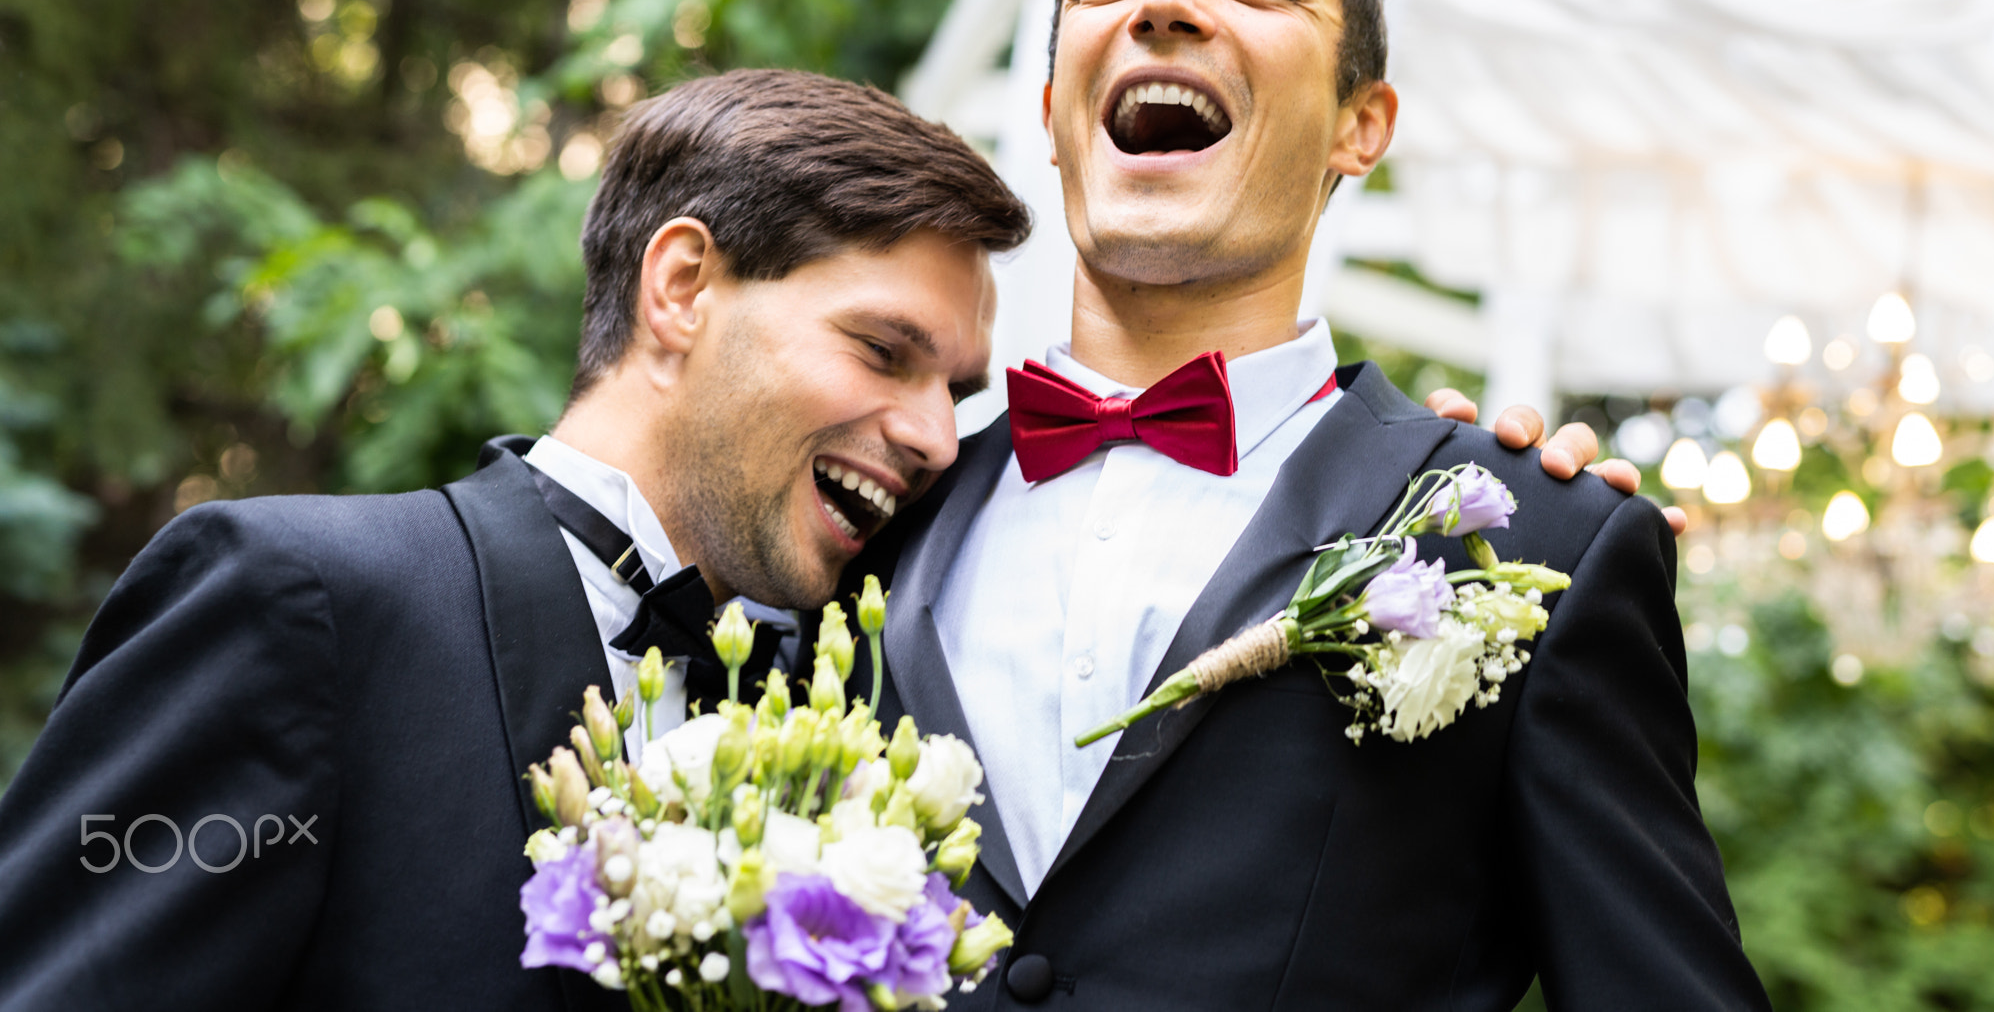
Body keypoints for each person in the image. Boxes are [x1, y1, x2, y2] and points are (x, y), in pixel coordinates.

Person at [0, 66, 1612, 1011]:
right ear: (682, 288)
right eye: (884, 351)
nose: (934, 432)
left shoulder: (834, 701)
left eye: (959, 385)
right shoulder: (301, 601)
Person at [846, 0, 1770, 1010]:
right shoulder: (863, 520)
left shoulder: (1525, 545)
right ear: (1051, 108)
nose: (1163, 6)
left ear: (1358, 126)